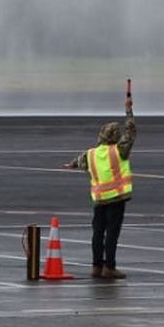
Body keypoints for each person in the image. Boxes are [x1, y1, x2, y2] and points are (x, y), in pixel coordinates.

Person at [62, 95, 136, 279]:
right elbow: (131, 131)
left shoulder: (91, 153)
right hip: (116, 198)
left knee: (98, 233)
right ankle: (109, 267)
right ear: (116, 137)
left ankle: (96, 266)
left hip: (99, 199)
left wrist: (70, 165)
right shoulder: (120, 150)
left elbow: (77, 162)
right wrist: (128, 110)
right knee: (112, 233)